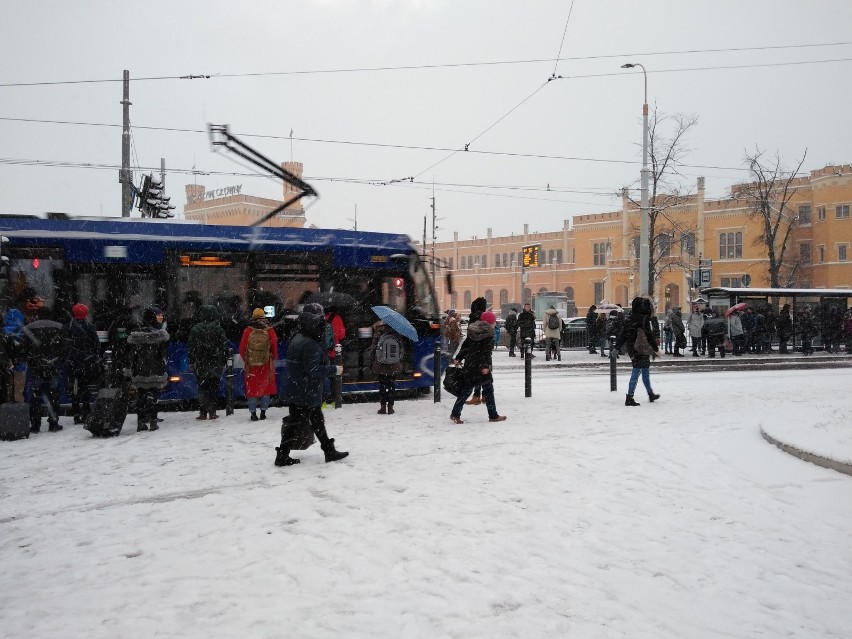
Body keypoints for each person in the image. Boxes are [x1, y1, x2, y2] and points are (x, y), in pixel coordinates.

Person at [276, 302, 348, 466]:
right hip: (306, 390)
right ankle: (326, 451)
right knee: (307, 420)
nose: (323, 327)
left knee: (305, 420)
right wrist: (334, 369)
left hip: (297, 387)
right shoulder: (310, 344)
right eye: (320, 323)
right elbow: (313, 370)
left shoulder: (299, 337)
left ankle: (286, 454)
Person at [449, 311, 506, 424]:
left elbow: (465, 346)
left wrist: (459, 358)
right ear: (490, 322)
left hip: (470, 364)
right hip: (481, 366)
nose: (495, 323)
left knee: (466, 390)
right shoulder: (489, 333)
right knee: (488, 389)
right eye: (494, 321)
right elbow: (486, 352)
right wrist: (485, 366)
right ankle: (493, 415)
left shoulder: (473, 330)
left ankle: (455, 413)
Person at [25, 307, 69, 433]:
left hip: (36, 366)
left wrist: (32, 361)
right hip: (53, 365)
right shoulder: (59, 327)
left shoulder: (30, 328)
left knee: (36, 395)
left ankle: (35, 424)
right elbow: (65, 347)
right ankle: (53, 422)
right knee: (54, 395)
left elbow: (25, 348)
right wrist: (59, 361)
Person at [127, 307, 169, 432]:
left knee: (141, 396)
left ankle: (141, 422)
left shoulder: (136, 335)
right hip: (155, 370)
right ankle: (153, 421)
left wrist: (132, 369)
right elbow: (163, 355)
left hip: (140, 371)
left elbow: (132, 355)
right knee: (153, 396)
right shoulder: (159, 335)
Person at [615, 297, 661, 407]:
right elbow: (649, 335)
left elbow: (623, 335)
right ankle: (630, 397)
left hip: (632, 349)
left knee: (644, 371)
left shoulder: (629, 319)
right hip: (642, 349)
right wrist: (655, 348)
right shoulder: (644, 319)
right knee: (637, 373)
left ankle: (650, 393)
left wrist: (617, 347)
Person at [188, 304, 229, 421]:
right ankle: (212, 412)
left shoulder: (195, 330)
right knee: (213, 388)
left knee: (202, 388)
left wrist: (192, 361)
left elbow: (191, 347)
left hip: (200, 362)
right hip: (215, 362)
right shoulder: (219, 329)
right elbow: (224, 347)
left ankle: (202, 412)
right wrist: (223, 360)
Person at [239, 307, 279, 421]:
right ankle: (263, 412)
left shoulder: (247, 330)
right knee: (265, 388)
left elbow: (242, 348)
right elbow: (274, 347)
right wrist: (272, 358)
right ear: (263, 317)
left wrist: (248, 359)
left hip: (251, 365)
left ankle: (253, 413)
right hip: (266, 364)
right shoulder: (269, 330)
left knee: (251, 389)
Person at [66, 303, 102, 425]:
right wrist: (92, 356)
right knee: (86, 387)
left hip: (73, 362)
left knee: (74, 387)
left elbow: (65, 345)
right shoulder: (90, 327)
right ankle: (86, 411)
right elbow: (97, 344)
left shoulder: (69, 327)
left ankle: (76, 413)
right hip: (87, 362)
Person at [371, 320, 403, 414]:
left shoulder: (378, 332)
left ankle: (383, 406)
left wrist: (372, 361)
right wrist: (397, 360)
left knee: (382, 385)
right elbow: (401, 349)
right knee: (392, 385)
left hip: (380, 364)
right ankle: (390, 407)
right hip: (393, 364)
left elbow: (373, 349)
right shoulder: (396, 333)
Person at [464, 297, 488, 405]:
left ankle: (477, 396)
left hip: (475, 350)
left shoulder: (474, 317)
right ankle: (486, 394)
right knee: (484, 373)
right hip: (483, 349)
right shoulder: (485, 317)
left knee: (476, 374)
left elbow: (471, 336)